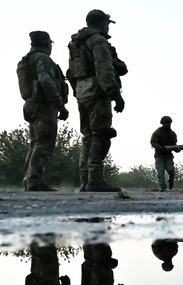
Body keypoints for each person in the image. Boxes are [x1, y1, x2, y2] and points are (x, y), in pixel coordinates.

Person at [67, 9, 126, 192]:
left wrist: (76, 91)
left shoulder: (75, 43)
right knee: (101, 134)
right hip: (97, 90)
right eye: (107, 23)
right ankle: (95, 180)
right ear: (102, 23)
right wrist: (115, 93)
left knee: (88, 137)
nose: (108, 27)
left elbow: (71, 72)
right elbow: (104, 68)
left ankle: (85, 181)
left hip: (81, 90)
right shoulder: (98, 41)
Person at [19, 31, 69, 191]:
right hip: (43, 105)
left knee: (35, 143)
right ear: (47, 44)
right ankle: (34, 181)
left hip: (30, 104)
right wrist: (59, 104)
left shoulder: (26, 60)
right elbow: (46, 80)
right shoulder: (42, 58)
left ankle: (29, 180)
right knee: (43, 144)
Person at [150, 116, 180, 192]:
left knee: (171, 170)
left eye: (169, 123)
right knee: (161, 172)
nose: (167, 125)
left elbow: (174, 144)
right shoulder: (157, 132)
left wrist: (176, 149)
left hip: (168, 156)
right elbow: (153, 142)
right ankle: (163, 187)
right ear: (162, 124)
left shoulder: (172, 134)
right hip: (159, 156)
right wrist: (160, 147)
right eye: (166, 123)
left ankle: (171, 182)